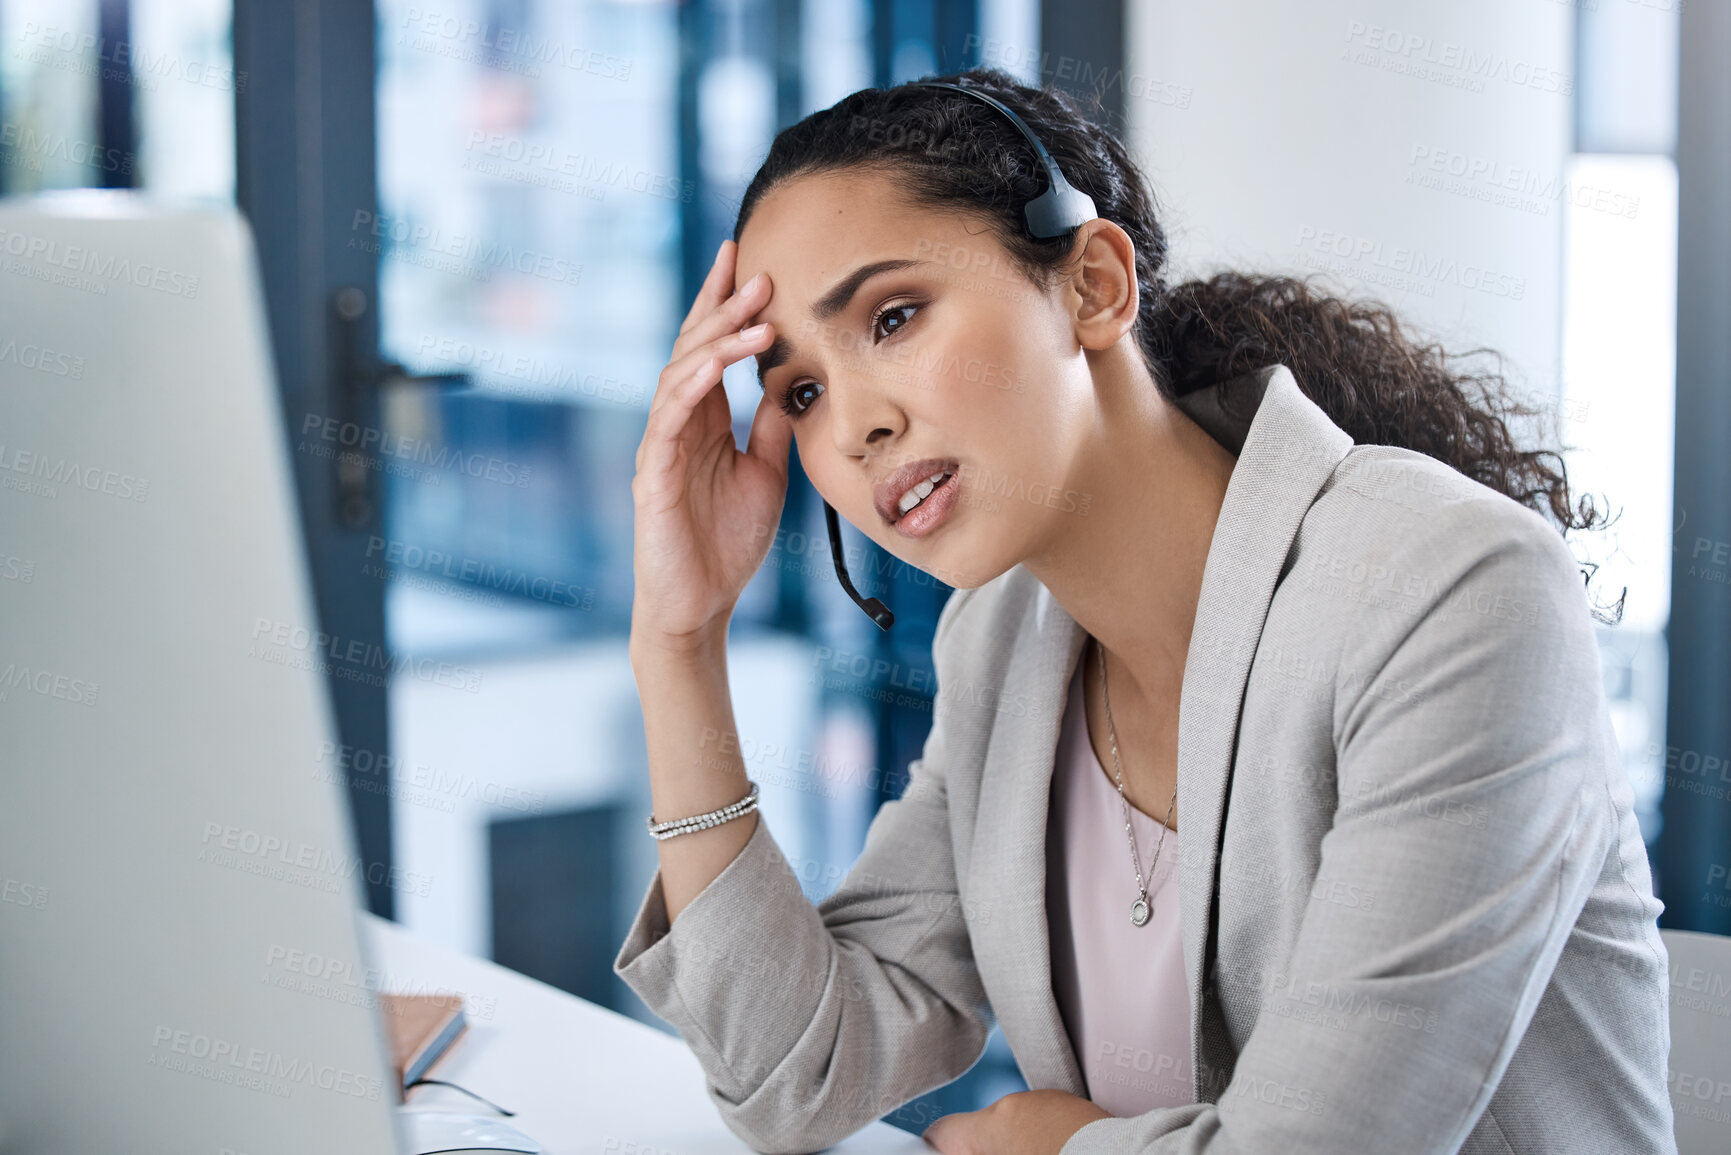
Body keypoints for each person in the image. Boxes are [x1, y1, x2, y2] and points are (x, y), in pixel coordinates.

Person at [616, 66, 1675, 1155]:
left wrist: (1039, 1144)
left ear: (1092, 285)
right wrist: (678, 639)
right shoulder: (999, 643)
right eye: (801, 393)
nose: (854, 428)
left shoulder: (1449, 589)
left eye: (893, 317)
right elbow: (802, 1076)